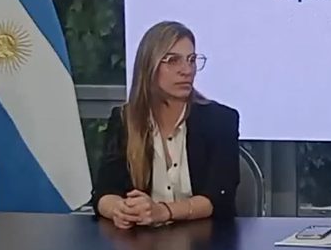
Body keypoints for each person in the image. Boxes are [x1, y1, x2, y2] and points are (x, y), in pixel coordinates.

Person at [93, 21, 240, 229]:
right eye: (173, 60)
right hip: (140, 243)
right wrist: (119, 209)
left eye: (191, 60)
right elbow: (104, 192)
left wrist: (163, 211)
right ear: (149, 66)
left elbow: (219, 198)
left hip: (208, 242)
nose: (187, 70)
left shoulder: (220, 120)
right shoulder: (125, 119)